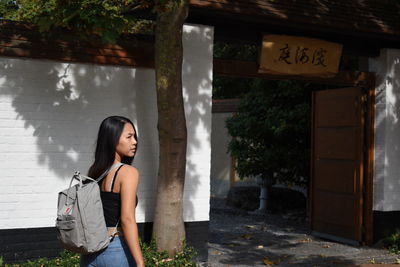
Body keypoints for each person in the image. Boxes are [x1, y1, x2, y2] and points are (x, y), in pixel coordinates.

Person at [80, 116, 144, 267]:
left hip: (90, 253)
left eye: (134, 136)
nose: (134, 142)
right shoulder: (128, 172)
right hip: (115, 250)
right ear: (112, 140)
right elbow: (127, 219)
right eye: (129, 137)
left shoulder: (95, 171)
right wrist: (140, 262)